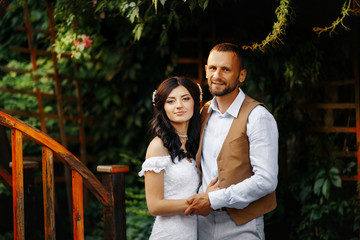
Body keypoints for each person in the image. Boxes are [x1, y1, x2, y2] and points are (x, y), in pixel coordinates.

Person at [185, 43, 279, 240]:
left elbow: (266, 180)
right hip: (201, 224)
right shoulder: (203, 112)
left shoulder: (258, 116)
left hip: (240, 227)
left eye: (226, 69)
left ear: (241, 75)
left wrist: (214, 199)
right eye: (213, 68)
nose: (217, 75)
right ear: (206, 70)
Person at [138, 76, 218, 240]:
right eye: (171, 101)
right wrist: (201, 201)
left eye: (185, 99)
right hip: (169, 234)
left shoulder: (194, 143)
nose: (179, 106)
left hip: (193, 233)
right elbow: (154, 206)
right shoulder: (158, 146)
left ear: (195, 102)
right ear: (163, 107)